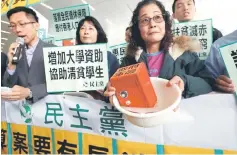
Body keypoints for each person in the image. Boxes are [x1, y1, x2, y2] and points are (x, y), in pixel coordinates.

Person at [104, 0, 214, 102]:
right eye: (145, 20)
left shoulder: (184, 53)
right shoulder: (129, 60)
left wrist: (185, 82)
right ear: (138, 28)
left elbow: (208, 82)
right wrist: (112, 92)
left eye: (157, 17)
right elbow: (116, 90)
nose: (152, 24)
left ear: (165, 23)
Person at [1, 7, 54, 103]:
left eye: (22, 24)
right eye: (13, 26)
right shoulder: (14, 52)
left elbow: (60, 84)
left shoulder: (53, 50)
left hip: (48, 111)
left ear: (36, 26)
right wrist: (11, 66)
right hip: (21, 113)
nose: (17, 30)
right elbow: (7, 87)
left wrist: (30, 92)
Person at [76, 16, 119, 100]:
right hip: (74, 105)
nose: (86, 32)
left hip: (100, 106)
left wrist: (109, 91)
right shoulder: (70, 56)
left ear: (98, 33)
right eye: (82, 28)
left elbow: (117, 85)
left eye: (91, 28)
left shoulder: (109, 57)